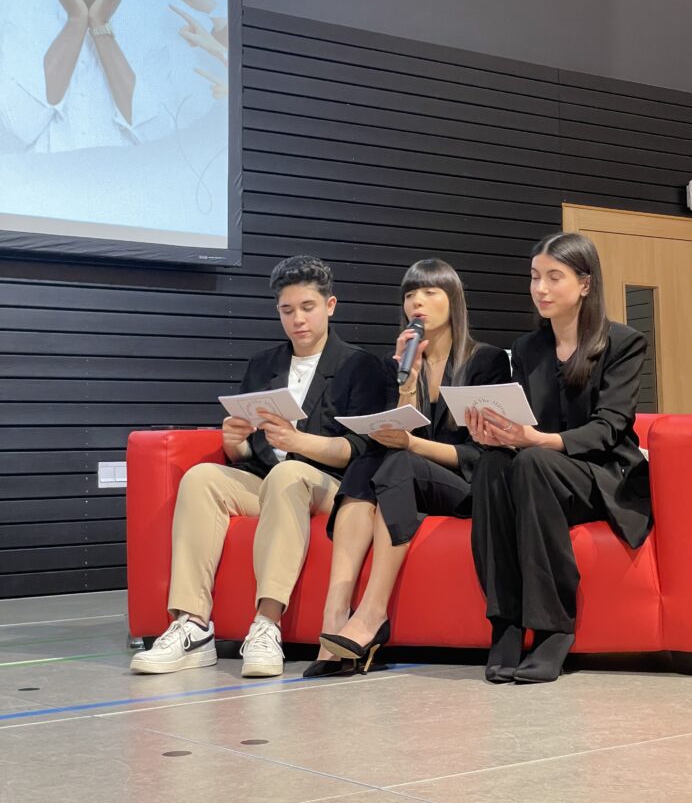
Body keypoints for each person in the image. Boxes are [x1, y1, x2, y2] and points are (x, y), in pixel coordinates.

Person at [130, 256, 387, 677]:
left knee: (289, 474)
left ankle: (267, 625)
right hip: (270, 479)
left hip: (333, 486)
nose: (297, 320)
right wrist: (235, 445)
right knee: (201, 478)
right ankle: (193, 625)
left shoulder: (359, 365)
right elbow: (251, 449)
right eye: (287, 310)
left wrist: (299, 442)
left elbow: (361, 448)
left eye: (307, 307)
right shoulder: (263, 364)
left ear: (330, 305)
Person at [468, 232, 651, 685]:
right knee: (493, 463)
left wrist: (539, 441)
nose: (541, 289)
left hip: (602, 476)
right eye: (535, 277)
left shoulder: (623, 343)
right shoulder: (527, 349)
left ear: (585, 284)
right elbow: (523, 421)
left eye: (554, 277)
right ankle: (506, 623)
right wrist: (496, 433)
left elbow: (609, 428)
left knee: (534, 462)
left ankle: (554, 628)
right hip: (540, 475)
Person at [316, 258, 510, 674]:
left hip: (467, 486)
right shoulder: (400, 364)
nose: (417, 302)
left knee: (399, 461)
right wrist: (408, 381)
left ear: (452, 301)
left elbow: (481, 456)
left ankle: (373, 614)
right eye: (409, 295)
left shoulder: (487, 361)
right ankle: (334, 614)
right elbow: (398, 430)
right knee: (368, 461)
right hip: (408, 479)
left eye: (429, 292)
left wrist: (411, 444)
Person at [42, 0, 138, 144]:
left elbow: (144, 124)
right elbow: (22, 125)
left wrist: (99, 22)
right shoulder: (21, 19)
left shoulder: (141, 30)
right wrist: (76, 19)